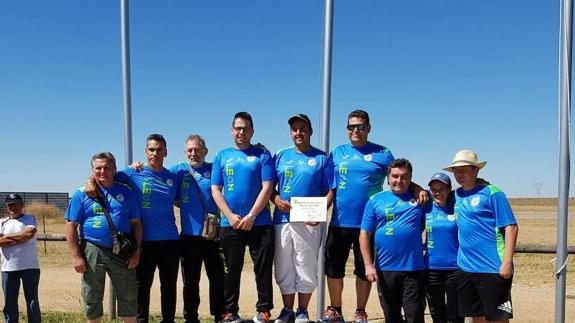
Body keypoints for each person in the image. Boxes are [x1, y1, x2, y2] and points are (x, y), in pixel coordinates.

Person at [322, 109, 428, 323]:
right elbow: (331, 187)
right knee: (334, 268)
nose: (355, 130)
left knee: (364, 270)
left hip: (370, 224)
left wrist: (417, 189)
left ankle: (360, 310)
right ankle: (336, 309)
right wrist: (320, 209)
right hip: (340, 221)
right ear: (346, 129)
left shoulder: (383, 153)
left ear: (368, 128)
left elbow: (398, 175)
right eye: (351, 126)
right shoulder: (337, 152)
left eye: (360, 126)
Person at [85, 134, 180, 323]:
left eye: (159, 149)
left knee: (169, 286)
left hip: (170, 240)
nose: (155, 153)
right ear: (145, 152)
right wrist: (89, 181)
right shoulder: (131, 173)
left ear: (166, 152)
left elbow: (179, 200)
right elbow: (104, 174)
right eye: (151, 149)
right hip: (143, 241)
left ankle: (168, 320)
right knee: (141, 286)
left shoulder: (173, 177)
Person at [211, 111, 275, 323]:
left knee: (263, 270)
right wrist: (230, 216)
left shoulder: (263, 155)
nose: (241, 132)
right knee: (231, 271)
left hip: (260, 222)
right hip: (230, 224)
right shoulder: (222, 156)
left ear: (252, 131)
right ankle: (230, 311)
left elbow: (267, 187)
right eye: (238, 128)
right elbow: (216, 190)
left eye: (245, 128)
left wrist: (251, 216)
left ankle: (264, 310)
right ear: (232, 131)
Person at [270, 114, 334, 323]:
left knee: (305, 265)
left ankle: (302, 311)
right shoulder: (280, 155)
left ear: (310, 131)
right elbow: (269, 187)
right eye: (295, 129)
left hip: (309, 222)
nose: (298, 133)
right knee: (283, 266)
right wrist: (276, 199)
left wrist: (320, 211)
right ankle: (287, 309)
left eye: (302, 128)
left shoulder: (322, 158)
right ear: (291, 132)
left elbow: (331, 189)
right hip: (282, 219)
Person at [65, 152, 143, 323]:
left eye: (107, 168)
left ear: (114, 169)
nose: (102, 171)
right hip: (93, 249)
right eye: (98, 168)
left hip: (122, 251)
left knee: (129, 295)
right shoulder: (81, 193)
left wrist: (137, 251)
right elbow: (71, 226)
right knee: (92, 295)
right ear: (92, 170)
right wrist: (77, 256)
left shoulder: (127, 193)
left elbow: (137, 223)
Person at [443, 150, 518, 323]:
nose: (459, 174)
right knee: (477, 316)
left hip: (492, 268)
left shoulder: (493, 193)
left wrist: (507, 262)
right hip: (466, 268)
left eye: (464, 169)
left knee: (498, 318)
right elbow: (434, 193)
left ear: (476, 169)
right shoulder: (456, 195)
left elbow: (511, 227)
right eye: (456, 170)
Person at [359, 159, 426, 323]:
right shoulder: (375, 200)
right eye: (395, 176)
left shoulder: (422, 199)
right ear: (388, 177)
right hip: (385, 269)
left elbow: (447, 193)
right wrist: (368, 265)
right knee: (391, 317)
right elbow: (364, 234)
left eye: (404, 177)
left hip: (413, 269)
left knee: (414, 316)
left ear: (411, 178)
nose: (399, 180)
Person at [170, 134, 225, 323]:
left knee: (217, 279)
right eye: (190, 150)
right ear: (185, 152)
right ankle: (191, 317)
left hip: (213, 236)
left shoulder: (215, 169)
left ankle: (219, 315)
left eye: (198, 149)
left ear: (205, 151)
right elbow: (155, 176)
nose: (194, 153)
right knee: (190, 282)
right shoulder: (178, 171)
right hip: (189, 237)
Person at [424, 173, 464, 323]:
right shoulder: (426, 208)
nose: (438, 192)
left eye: (441, 188)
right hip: (431, 268)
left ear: (449, 190)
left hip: (455, 268)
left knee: (456, 315)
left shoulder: (458, 208)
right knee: (438, 314)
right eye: (434, 189)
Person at [0, 193, 41, 323]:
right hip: (8, 268)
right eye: (10, 204)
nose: (13, 207)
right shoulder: (1, 222)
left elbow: (28, 234)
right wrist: (20, 238)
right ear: (7, 207)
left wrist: (7, 238)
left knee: (32, 301)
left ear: (22, 205)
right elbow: (2, 242)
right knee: (10, 302)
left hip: (30, 267)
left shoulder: (30, 219)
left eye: (16, 204)